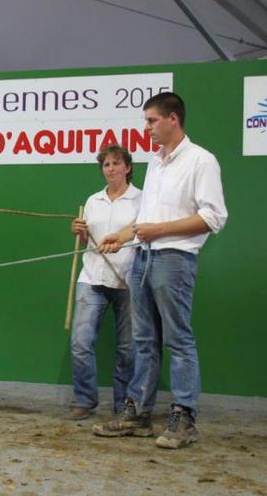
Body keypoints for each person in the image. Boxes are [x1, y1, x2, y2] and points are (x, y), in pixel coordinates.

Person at [92, 92, 228, 449]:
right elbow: (147, 220)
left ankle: (184, 419)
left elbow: (213, 218)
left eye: (151, 120)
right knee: (144, 341)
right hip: (142, 257)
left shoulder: (201, 161)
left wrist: (159, 231)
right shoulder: (155, 162)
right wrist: (123, 235)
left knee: (178, 339)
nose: (147, 128)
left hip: (174, 259)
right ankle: (137, 414)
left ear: (172, 119)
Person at [68, 144, 141, 420]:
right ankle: (85, 399)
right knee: (80, 342)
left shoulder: (141, 200)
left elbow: (143, 235)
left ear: (127, 167)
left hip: (128, 280)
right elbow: (88, 240)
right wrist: (80, 232)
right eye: (106, 165)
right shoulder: (93, 201)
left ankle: (123, 405)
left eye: (115, 163)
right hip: (91, 277)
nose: (110, 169)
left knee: (127, 348)